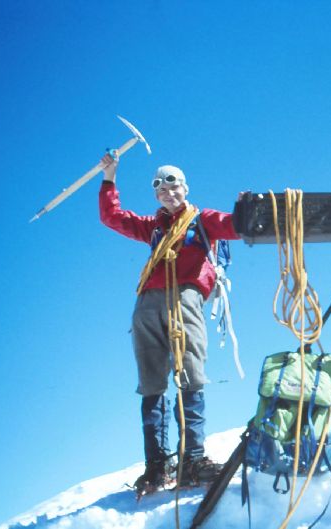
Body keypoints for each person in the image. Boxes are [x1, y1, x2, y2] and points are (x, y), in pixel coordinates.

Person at [98, 153, 240, 496]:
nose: (165, 189)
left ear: (185, 187)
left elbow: (235, 225)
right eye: (158, 185)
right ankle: (157, 466)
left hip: (185, 297)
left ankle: (192, 459)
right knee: (150, 383)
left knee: (190, 371)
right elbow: (112, 217)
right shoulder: (153, 228)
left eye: (172, 181)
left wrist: (250, 210)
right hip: (147, 304)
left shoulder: (202, 220)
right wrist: (109, 178)